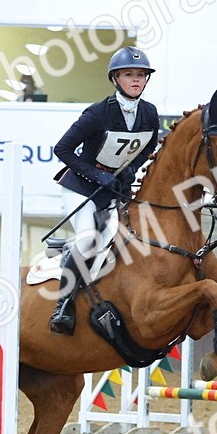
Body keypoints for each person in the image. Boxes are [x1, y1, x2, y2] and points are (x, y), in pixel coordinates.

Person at [47, 46, 160, 335]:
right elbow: (62, 148)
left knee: (123, 241)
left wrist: (130, 171)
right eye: (128, 75)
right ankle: (62, 305)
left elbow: (147, 145)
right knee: (87, 239)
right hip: (81, 188)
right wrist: (96, 174)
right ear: (115, 79)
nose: (136, 80)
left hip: (113, 190)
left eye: (140, 75)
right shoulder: (97, 113)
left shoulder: (149, 113)